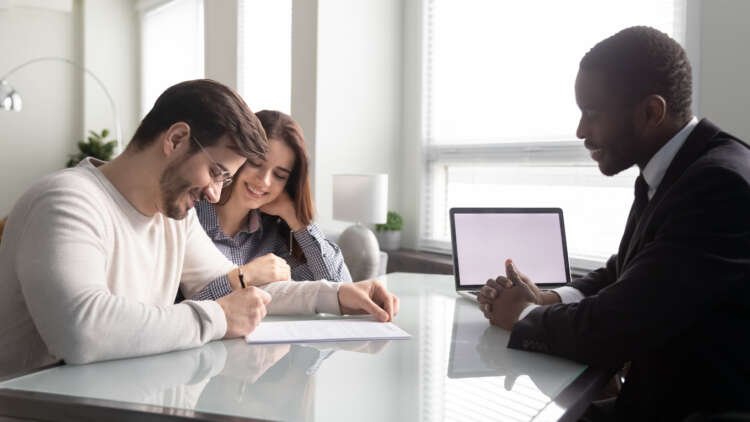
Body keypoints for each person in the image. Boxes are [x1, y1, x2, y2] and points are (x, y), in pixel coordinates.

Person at [0, 79, 398, 378]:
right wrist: (219, 317)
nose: (214, 193)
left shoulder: (173, 217)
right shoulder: (66, 201)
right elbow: (82, 331)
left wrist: (338, 295)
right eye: (216, 172)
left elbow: (243, 290)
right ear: (175, 139)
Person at [477, 26, 750, 420]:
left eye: (592, 113)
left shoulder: (718, 185)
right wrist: (547, 299)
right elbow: (624, 272)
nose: (581, 131)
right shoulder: (680, 169)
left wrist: (521, 316)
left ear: (650, 112)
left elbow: (614, 327)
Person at [191, 110, 351, 301]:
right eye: (256, 163)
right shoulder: (189, 216)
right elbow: (180, 307)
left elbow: (339, 288)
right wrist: (245, 276)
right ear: (237, 157)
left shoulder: (271, 236)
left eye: (280, 175)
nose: (264, 181)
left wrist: (295, 218)